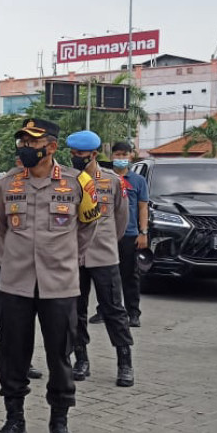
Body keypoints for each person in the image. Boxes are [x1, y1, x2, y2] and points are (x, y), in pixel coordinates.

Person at [0, 118, 100, 433]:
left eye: (33, 141)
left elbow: (87, 226)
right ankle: (14, 419)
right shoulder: (7, 183)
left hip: (60, 285)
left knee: (60, 355)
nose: (25, 146)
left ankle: (59, 422)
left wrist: (62, 257)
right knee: (12, 354)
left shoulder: (78, 181)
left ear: (51, 147)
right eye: (22, 140)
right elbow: (0, 226)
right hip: (16, 283)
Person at [65, 131, 135, 387]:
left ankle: (125, 362)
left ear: (94, 154)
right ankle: (81, 359)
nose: (75, 158)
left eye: (80, 155)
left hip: (104, 255)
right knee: (76, 310)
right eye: (72, 154)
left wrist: (107, 243)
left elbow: (121, 220)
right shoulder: (66, 181)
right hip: (73, 256)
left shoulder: (112, 181)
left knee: (114, 310)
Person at [0, 184, 43, 382]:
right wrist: (15, 226)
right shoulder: (1, 187)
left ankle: (22, 359)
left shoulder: (44, 188)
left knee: (23, 315)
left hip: (25, 263)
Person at [94, 141, 148, 327]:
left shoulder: (138, 181)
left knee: (130, 275)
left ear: (131, 156)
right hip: (106, 234)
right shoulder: (103, 179)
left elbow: (143, 208)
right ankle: (103, 311)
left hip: (130, 234)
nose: (121, 159)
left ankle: (133, 313)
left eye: (124, 155)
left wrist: (143, 232)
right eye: (117, 155)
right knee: (105, 275)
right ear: (111, 157)